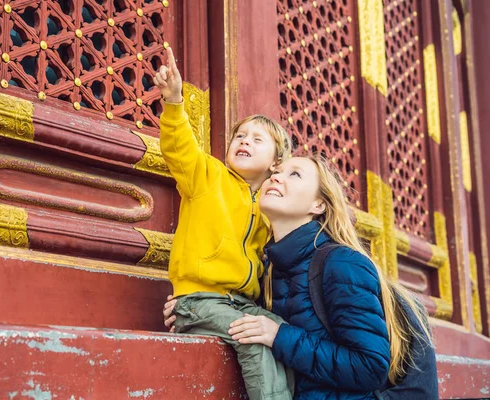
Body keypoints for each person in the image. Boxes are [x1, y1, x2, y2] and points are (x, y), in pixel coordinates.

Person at [164, 155, 436, 399]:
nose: (276, 177)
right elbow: (239, 314)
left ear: (318, 204)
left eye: (294, 174)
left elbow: (369, 367)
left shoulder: (341, 264)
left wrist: (280, 336)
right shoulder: (268, 269)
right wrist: (193, 305)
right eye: (276, 172)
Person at [154, 47, 293, 400]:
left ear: (276, 163)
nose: (244, 141)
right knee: (255, 337)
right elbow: (180, 149)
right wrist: (174, 103)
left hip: (240, 302)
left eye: (256, 139)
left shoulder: (268, 207)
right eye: (240, 137)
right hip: (199, 300)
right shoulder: (208, 176)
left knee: (284, 336)